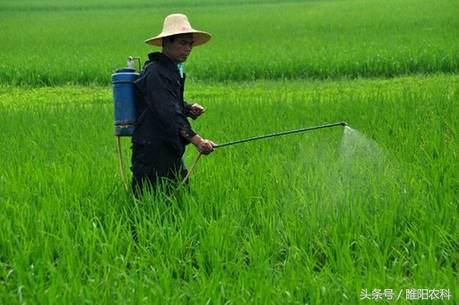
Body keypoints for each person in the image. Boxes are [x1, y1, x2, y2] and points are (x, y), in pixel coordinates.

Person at [131, 13, 215, 196]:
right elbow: (168, 112)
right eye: (182, 43)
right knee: (148, 202)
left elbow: (169, 102)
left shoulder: (170, 70)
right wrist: (197, 140)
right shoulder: (155, 72)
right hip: (152, 150)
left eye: (190, 44)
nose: (188, 49)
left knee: (178, 197)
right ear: (166, 43)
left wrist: (187, 108)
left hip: (168, 146)